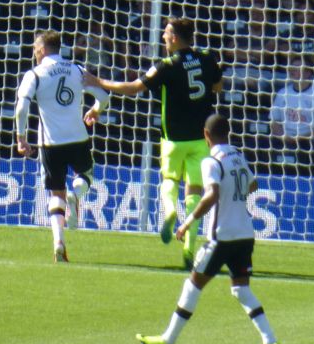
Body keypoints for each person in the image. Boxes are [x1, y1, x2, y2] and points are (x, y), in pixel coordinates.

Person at [136, 114, 281, 344]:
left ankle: (168, 339)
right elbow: (253, 185)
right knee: (240, 289)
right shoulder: (237, 154)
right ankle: (270, 341)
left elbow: (211, 194)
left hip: (221, 237)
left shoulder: (210, 162)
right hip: (245, 234)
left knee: (192, 284)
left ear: (205, 135)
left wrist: (188, 221)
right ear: (228, 133)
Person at [88, 17, 223, 267]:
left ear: (174, 38)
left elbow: (133, 88)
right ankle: (189, 247)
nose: (163, 37)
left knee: (170, 180)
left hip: (173, 138)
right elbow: (218, 86)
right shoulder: (207, 57)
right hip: (201, 137)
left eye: (166, 33)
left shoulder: (167, 65)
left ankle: (170, 210)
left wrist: (98, 82)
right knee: (194, 190)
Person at [14, 30, 109, 262]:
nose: (34, 51)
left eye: (36, 47)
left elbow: (21, 108)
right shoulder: (76, 70)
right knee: (85, 175)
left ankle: (59, 242)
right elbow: (104, 96)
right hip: (77, 137)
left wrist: (20, 137)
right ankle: (76, 194)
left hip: (50, 143)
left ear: (43, 49)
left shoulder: (34, 74)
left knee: (56, 191)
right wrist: (96, 110)